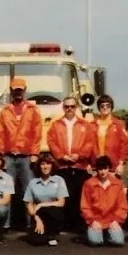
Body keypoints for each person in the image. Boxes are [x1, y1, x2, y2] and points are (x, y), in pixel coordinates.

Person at [0, 77, 42, 230]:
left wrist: (35, 153)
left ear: (24, 90)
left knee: (28, 190)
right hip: (9, 156)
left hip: (26, 156)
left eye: (20, 90)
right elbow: (1, 134)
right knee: (7, 190)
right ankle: (6, 224)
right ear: (11, 91)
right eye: (15, 90)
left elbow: (37, 133)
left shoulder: (33, 110)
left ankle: (31, 223)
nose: (18, 92)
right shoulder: (5, 111)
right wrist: (2, 155)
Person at [47, 96, 96, 232]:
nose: (69, 109)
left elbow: (90, 142)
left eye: (72, 106)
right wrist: (61, 156)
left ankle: (79, 225)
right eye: (67, 106)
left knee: (80, 195)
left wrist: (79, 155)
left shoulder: (85, 125)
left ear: (77, 108)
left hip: (80, 165)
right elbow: (52, 142)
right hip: (62, 165)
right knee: (64, 195)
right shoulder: (56, 125)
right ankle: (64, 224)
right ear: (63, 107)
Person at [81, 155, 128, 246]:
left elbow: (122, 206)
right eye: (100, 169)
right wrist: (92, 221)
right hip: (96, 220)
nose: (102, 172)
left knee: (118, 241)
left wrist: (116, 220)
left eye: (105, 168)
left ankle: (107, 233)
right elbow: (85, 206)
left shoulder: (117, 184)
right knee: (95, 242)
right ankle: (95, 232)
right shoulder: (89, 184)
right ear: (97, 169)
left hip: (112, 220)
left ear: (109, 168)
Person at [23, 154, 68, 246]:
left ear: (52, 165)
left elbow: (61, 203)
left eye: (48, 164)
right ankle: (43, 233)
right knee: (37, 241)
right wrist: (37, 218)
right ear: (39, 166)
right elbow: (29, 204)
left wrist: (41, 205)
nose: (45, 166)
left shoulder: (59, 180)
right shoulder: (33, 183)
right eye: (43, 164)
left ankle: (52, 234)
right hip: (38, 214)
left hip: (53, 214)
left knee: (52, 210)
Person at [93, 94, 128, 179]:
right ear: (99, 108)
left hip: (113, 167)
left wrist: (121, 164)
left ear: (111, 107)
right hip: (96, 167)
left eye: (108, 106)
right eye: (102, 106)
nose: (105, 108)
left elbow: (124, 145)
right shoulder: (92, 125)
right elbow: (88, 145)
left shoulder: (119, 124)